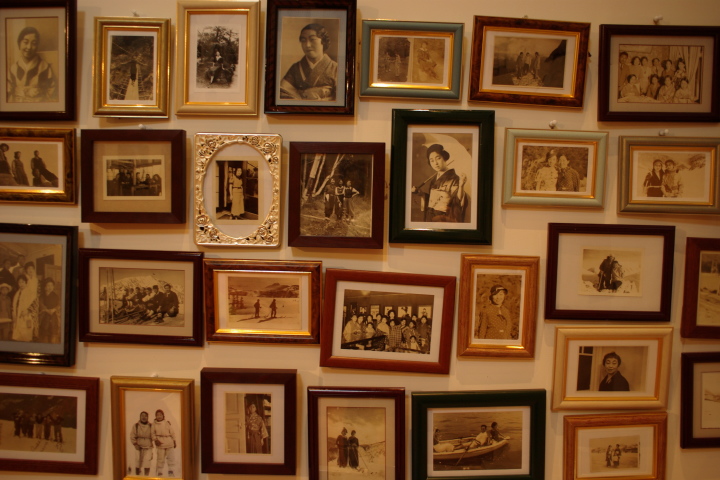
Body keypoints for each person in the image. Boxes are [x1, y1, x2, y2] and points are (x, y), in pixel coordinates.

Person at [411, 144, 468, 222]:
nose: (435, 163)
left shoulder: (454, 178)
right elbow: (431, 201)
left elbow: (457, 201)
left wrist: (461, 186)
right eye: (432, 160)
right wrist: (421, 194)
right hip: (431, 216)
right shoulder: (433, 179)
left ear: (444, 157)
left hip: (444, 218)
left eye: (438, 158)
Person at [280, 23, 337, 100]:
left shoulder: (336, 69)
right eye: (303, 40)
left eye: (312, 39)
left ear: (323, 41)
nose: (307, 45)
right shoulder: (295, 68)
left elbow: (341, 99)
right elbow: (283, 92)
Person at [7, 26, 57, 103]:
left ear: (37, 46)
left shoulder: (45, 67)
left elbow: (52, 94)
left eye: (34, 43)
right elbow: (7, 93)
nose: (29, 47)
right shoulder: (13, 69)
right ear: (19, 44)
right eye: (25, 42)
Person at [11, 274, 36, 342]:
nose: (21, 284)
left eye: (22, 282)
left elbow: (34, 304)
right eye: (19, 282)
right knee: (18, 335)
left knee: (26, 334)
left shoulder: (30, 292)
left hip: (26, 316)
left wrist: (27, 310)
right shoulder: (17, 293)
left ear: (26, 282)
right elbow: (14, 305)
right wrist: (14, 313)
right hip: (17, 316)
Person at [37, 278, 60, 344]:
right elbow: (40, 304)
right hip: (44, 314)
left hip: (53, 314)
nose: (50, 287)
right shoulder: (42, 296)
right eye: (48, 285)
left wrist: (54, 309)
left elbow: (58, 305)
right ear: (45, 287)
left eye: (51, 285)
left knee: (53, 332)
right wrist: (46, 310)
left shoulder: (55, 296)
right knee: (44, 333)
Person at [131, 411, 153, 476]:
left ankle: (146, 477)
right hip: (139, 447)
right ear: (140, 417)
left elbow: (155, 434)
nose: (144, 417)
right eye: (142, 416)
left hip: (148, 447)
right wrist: (135, 444)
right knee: (138, 463)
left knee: (147, 463)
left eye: (145, 416)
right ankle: (137, 476)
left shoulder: (151, 426)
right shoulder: (136, 426)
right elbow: (132, 436)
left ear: (147, 417)